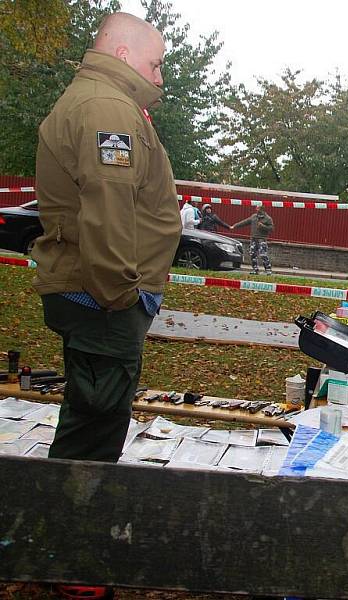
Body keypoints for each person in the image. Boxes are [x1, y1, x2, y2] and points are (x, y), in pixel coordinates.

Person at [32, 12, 181, 464]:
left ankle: (65, 522)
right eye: (155, 64)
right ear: (122, 54)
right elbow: (109, 209)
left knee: (91, 421)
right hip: (104, 300)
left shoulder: (102, 101)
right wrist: (123, 297)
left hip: (97, 296)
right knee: (92, 442)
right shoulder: (109, 110)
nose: (159, 75)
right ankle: (67, 527)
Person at [231, 205, 274, 274]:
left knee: (263, 254)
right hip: (253, 239)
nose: (256, 209)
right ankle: (255, 270)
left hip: (261, 239)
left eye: (257, 208)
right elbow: (244, 222)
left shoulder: (268, 218)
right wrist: (235, 226)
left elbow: (272, 229)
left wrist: (263, 226)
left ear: (262, 209)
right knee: (253, 254)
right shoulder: (254, 216)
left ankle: (268, 270)